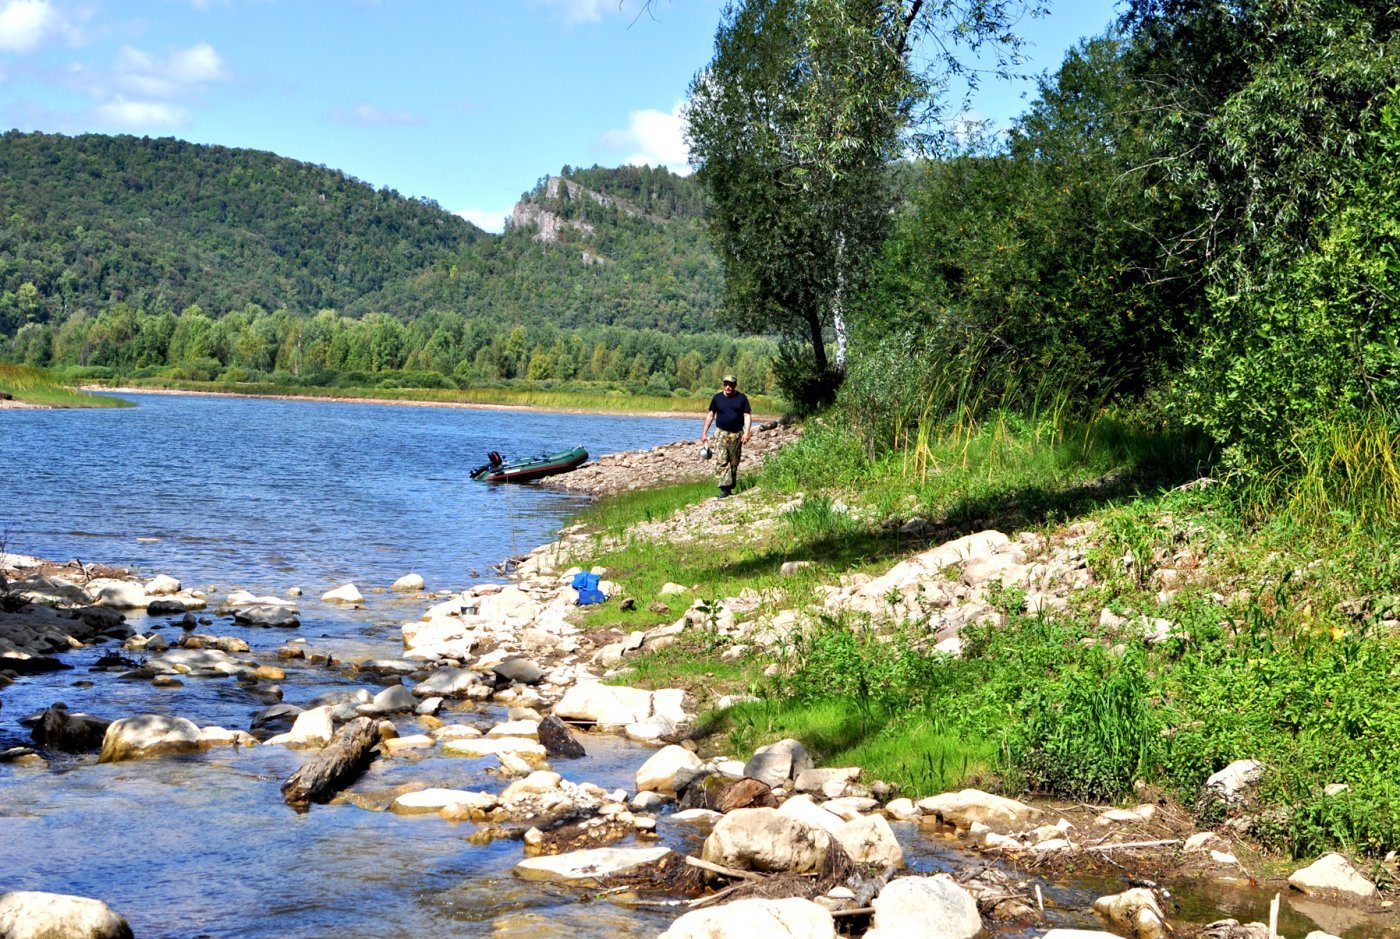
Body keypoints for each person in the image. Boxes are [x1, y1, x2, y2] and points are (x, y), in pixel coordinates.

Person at [701, 374, 752, 497]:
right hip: (721, 433)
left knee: (734, 462)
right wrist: (704, 433)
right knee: (721, 460)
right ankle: (725, 489)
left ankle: (731, 485)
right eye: (726, 384)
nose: (728, 387)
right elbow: (710, 415)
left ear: (735, 385)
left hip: (736, 435)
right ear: (723, 385)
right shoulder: (717, 398)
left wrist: (747, 432)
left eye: (731, 385)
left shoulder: (742, 398)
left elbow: (747, 415)